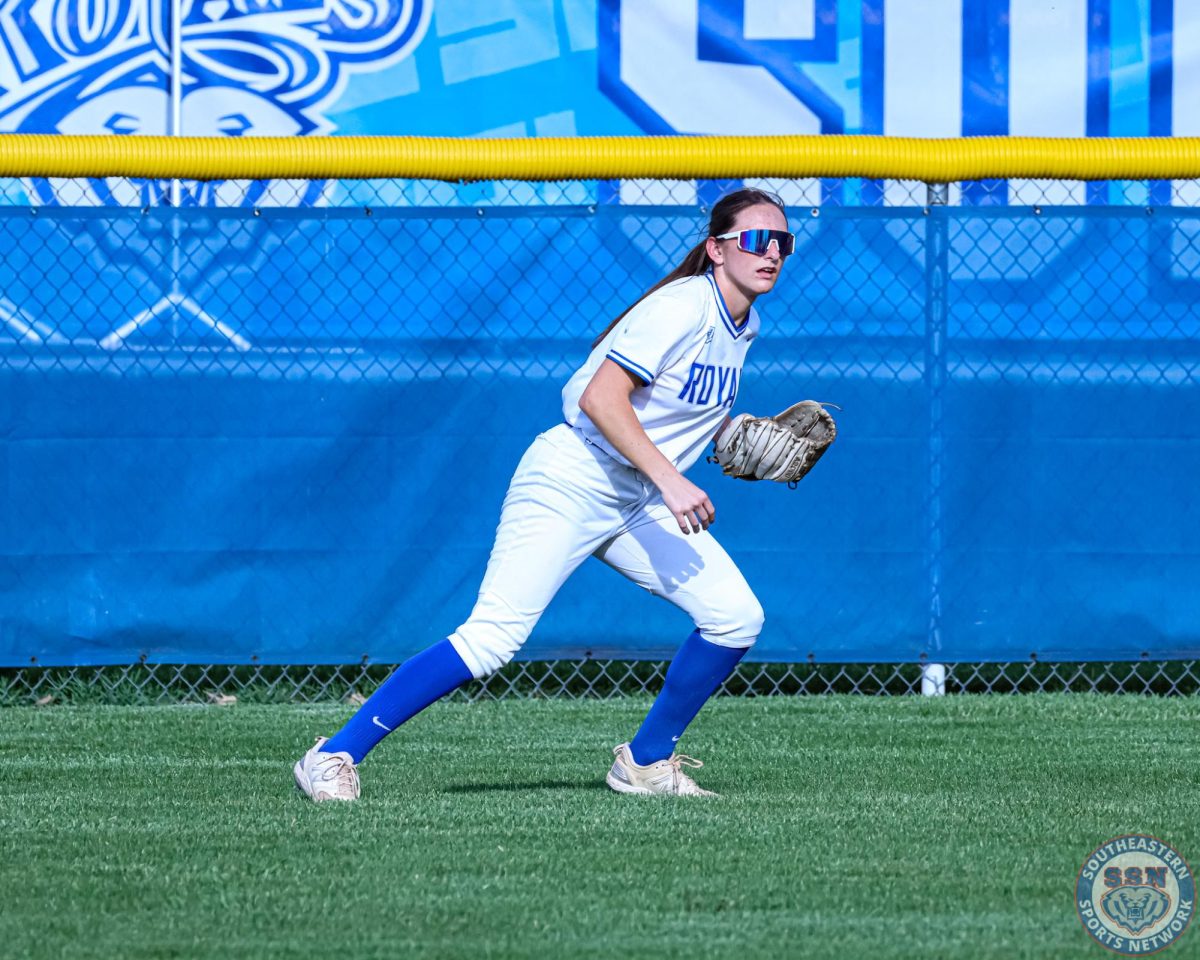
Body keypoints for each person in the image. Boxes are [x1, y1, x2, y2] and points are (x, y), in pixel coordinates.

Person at [293, 187, 797, 801]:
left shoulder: (745, 323)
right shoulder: (682, 308)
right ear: (717, 249)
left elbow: (671, 405)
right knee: (492, 638)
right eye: (753, 238)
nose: (769, 251)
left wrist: (727, 434)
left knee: (734, 617)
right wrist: (672, 478)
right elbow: (600, 400)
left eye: (782, 241)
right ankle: (335, 753)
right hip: (572, 476)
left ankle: (643, 763)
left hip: (633, 497)